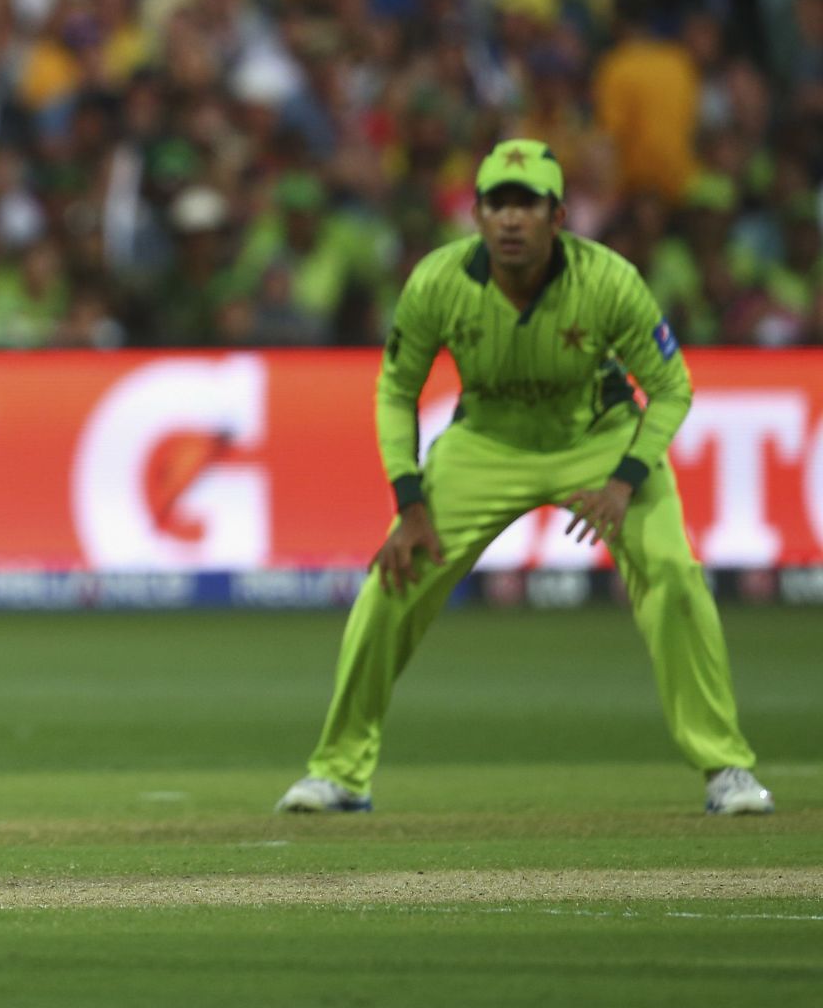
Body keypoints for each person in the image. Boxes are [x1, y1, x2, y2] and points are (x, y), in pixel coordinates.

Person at [276, 139, 774, 817]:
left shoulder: (608, 279)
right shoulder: (438, 281)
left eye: (527, 204)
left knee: (675, 574)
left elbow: (672, 387)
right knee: (388, 586)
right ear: (476, 215)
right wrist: (410, 498)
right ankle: (340, 772)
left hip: (597, 437)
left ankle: (727, 768)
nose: (511, 220)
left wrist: (626, 479)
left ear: (558, 215)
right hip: (486, 441)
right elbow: (396, 390)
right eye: (497, 204)